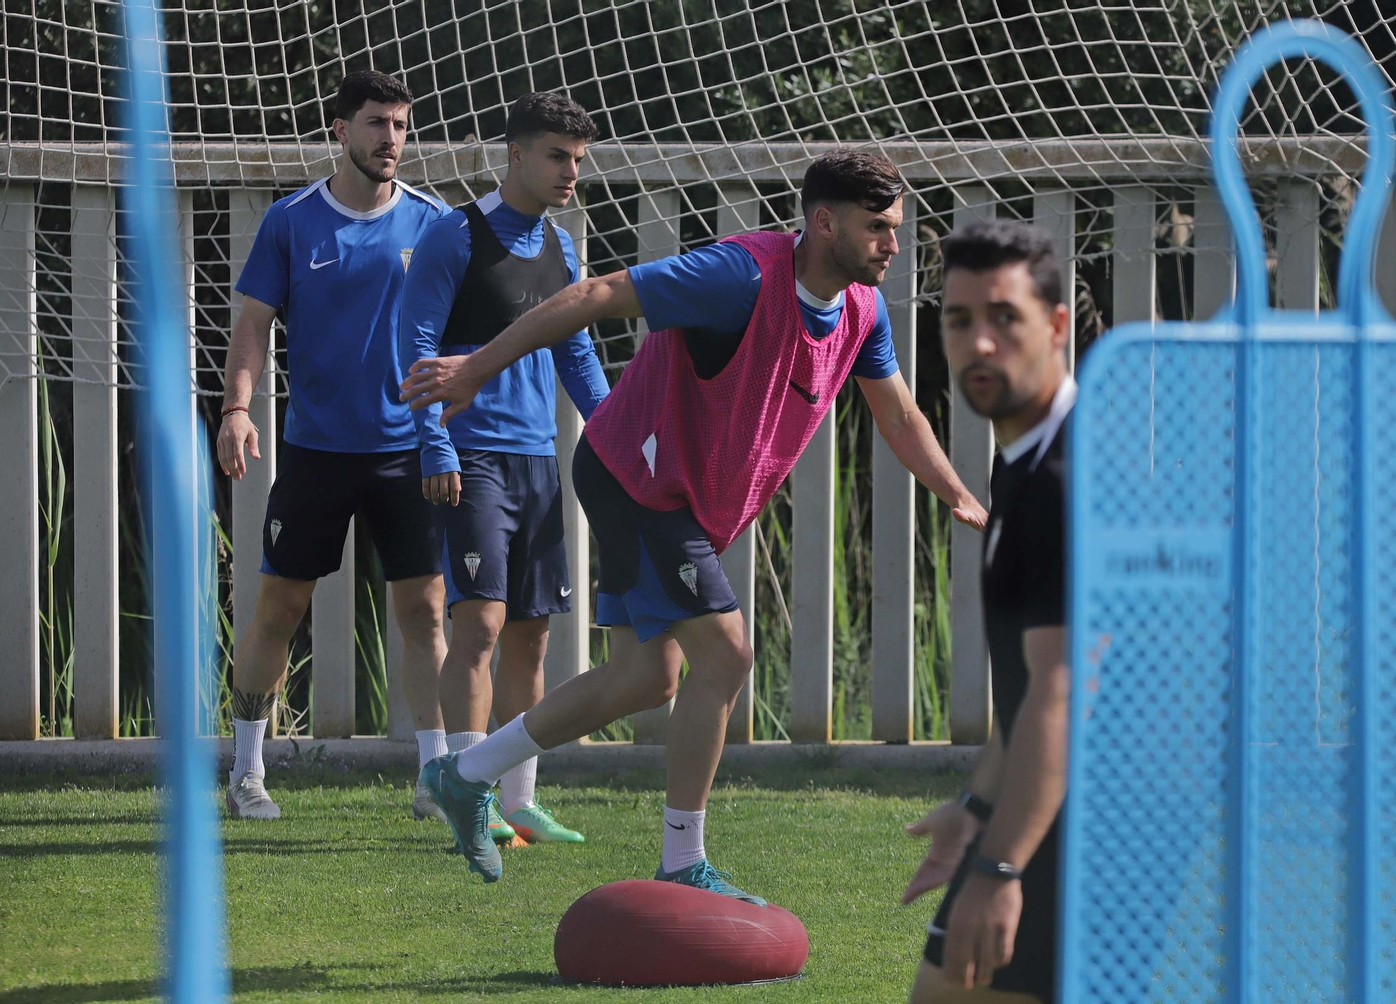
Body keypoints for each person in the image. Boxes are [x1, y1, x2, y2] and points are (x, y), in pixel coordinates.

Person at [406, 150, 988, 893]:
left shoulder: (862, 311)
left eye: (897, 228)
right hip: (637, 480)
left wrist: (958, 493)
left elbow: (899, 415)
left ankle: (466, 773)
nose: (893, 245)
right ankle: (683, 862)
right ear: (822, 223)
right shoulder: (739, 275)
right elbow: (598, 292)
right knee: (727, 654)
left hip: (671, 494)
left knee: (646, 677)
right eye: (877, 228)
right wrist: (479, 366)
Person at [217, 69, 451, 821]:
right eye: (377, 123)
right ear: (340, 131)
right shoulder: (291, 222)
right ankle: (247, 772)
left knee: (425, 612)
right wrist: (238, 408)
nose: (391, 139)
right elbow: (254, 324)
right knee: (280, 605)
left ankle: (435, 777)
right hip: (316, 450)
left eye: (401, 125)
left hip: (410, 449)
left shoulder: (434, 222)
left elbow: (465, 336)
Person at [399, 92, 608, 846]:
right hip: (471, 456)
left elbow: (577, 352)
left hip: (537, 461)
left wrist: (612, 433)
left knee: (532, 637)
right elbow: (415, 338)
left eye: (578, 161)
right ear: (514, 154)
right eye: (557, 156)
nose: (569, 173)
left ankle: (518, 800)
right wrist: (434, 441)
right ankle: (467, 791)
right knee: (479, 625)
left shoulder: (563, 245)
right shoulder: (455, 234)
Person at [902, 220, 1075, 1004]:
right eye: (959, 319)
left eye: (1004, 318)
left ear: (1057, 326)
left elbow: (1061, 692)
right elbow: (1024, 689)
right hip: (1035, 816)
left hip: (1090, 837)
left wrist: (1003, 868)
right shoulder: (1022, 465)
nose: (979, 344)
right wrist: (973, 810)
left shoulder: (1066, 481)